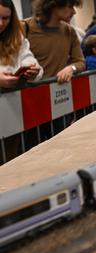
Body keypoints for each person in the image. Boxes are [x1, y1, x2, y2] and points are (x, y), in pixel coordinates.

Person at [0, 0, 43, 165]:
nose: (1, 23)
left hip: (10, 111)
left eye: (6, 18)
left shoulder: (17, 38)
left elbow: (30, 61)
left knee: (8, 159)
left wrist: (33, 71)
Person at [22, 0, 85, 84]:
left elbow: (80, 62)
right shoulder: (23, 28)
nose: (74, 12)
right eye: (70, 6)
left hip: (58, 91)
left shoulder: (69, 31)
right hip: (28, 91)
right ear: (54, 5)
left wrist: (71, 68)